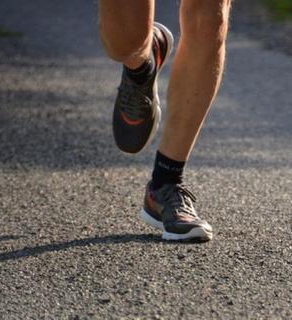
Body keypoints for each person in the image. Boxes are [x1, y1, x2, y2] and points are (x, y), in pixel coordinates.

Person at [98, 0, 232, 242]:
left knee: (210, 19)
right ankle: (141, 65)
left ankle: (165, 183)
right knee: (124, 42)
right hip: (130, 48)